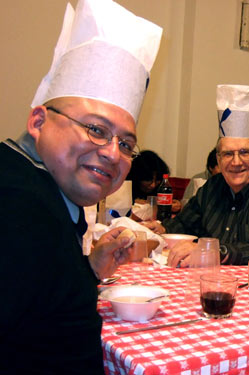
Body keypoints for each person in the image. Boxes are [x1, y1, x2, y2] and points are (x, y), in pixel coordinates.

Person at [0, 0, 162, 373]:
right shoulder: (16, 204)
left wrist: (88, 269)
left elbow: (40, 310)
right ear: (39, 120)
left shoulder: (42, 187)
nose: (111, 153)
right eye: (96, 129)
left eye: (125, 143)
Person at [149, 85, 249, 267]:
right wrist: (161, 229)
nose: (236, 162)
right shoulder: (212, 187)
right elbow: (184, 225)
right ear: (218, 158)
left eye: (244, 152)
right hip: (213, 281)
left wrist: (216, 251)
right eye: (228, 154)